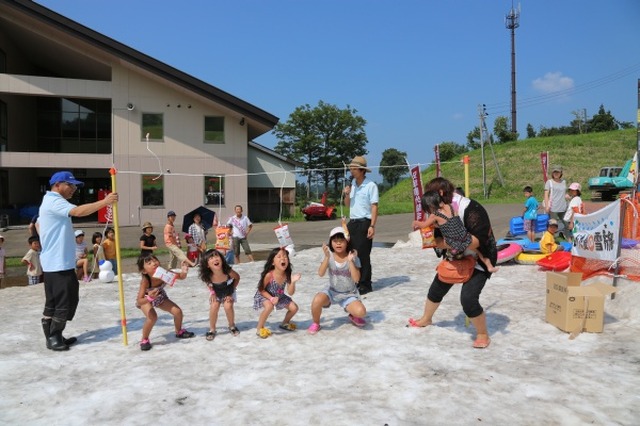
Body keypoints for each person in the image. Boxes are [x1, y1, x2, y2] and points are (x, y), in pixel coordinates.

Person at [408, 177, 496, 349]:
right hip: (455, 255)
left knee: (468, 299)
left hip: (479, 256)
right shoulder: (440, 209)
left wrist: (447, 242)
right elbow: (437, 236)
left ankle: (482, 334)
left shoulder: (470, 208)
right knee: (437, 287)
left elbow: (477, 241)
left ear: (440, 193)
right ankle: (426, 318)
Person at [39, 170, 118, 351]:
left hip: (55, 261)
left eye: (75, 186)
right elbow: (78, 211)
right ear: (58, 185)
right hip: (58, 263)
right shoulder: (55, 200)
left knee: (55, 301)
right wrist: (105, 202)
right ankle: (54, 336)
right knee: (65, 300)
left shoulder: (49, 201)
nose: (73, 189)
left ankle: (54, 336)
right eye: (70, 185)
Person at [415, 190, 498, 273]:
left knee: (447, 251)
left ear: (430, 205)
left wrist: (415, 223)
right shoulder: (450, 206)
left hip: (453, 241)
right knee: (478, 251)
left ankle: (448, 262)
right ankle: (489, 265)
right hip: (464, 236)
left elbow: (423, 225)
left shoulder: (435, 215)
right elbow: (450, 220)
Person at [308, 227, 367, 335]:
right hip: (332, 291)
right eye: (335, 241)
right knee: (317, 300)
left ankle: (353, 315)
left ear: (347, 242)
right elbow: (320, 273)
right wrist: (326, 258)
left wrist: (350, 262)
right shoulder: (329, 256)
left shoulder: (353, 257)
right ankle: (316, 323)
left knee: (361, 312)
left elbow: (356, 279)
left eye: (341, 241)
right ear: (331, 242)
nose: (338, 244)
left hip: (349, 294)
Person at [135, 254, 195, 351]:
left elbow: (181, 276)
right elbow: (139, 300)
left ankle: (179, 331)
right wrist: (150, 298)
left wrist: (184, 270)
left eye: (155, 260)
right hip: (146, 299)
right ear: (144, 271)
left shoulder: (165, 273)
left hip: (159, 296)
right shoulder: (145, 281)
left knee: (177, 312)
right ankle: (144, 339)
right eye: (149, 263)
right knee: (152, 317)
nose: (154, 263)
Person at [343, 155, 379, 294]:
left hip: (365, 222)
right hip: (352, 222)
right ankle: (355, 280)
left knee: (363, 254)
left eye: (354, 169)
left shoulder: (370, 186)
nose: (351, 171)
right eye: (350, 168)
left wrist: (372, 226)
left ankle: (365, 284)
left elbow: (374, 207)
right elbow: (347, 205)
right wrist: (346, 194)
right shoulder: (351, 185)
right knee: (351, 252)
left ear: (362, 170)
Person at [253, 247, 300, 339]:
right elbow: (261, 289)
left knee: (294, 308)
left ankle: (285, 323)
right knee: (269, 306)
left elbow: (291, 292)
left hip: (279, 296)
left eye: (285, 257)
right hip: (265, 295)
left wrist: (293, 282)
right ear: (273, 262)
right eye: (279, 257)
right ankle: (259, 328)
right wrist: (271, 298)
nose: (283, 258)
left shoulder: (287, 274)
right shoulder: (269, 275)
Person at [198, 249, 240, 340]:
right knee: (214, 306)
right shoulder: (208, 274)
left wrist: (231, 292)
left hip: (228, 290)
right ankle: (212, 329)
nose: (215, 259)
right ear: (207, 265)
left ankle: (232, 326)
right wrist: (212, 293)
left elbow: (237, 277)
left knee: (228, 306)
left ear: (222, 259)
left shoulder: (227, 270)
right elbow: (208, 283)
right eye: (211, 258)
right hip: (216, 291)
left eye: (217, 256)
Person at [544, 165, 568, 236]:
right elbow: (546, 194)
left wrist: (567, 196)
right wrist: (547, 206)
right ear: (552, 173)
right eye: (554, 172)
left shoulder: (564, 181)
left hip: (563, 207)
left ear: (561, 173)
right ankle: (551, 240)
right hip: (553, 207)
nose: (556, 174)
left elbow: (564, 193)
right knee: (552, 226)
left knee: (567, 224)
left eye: (558, 172)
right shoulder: (549, 182)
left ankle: (568, 239)